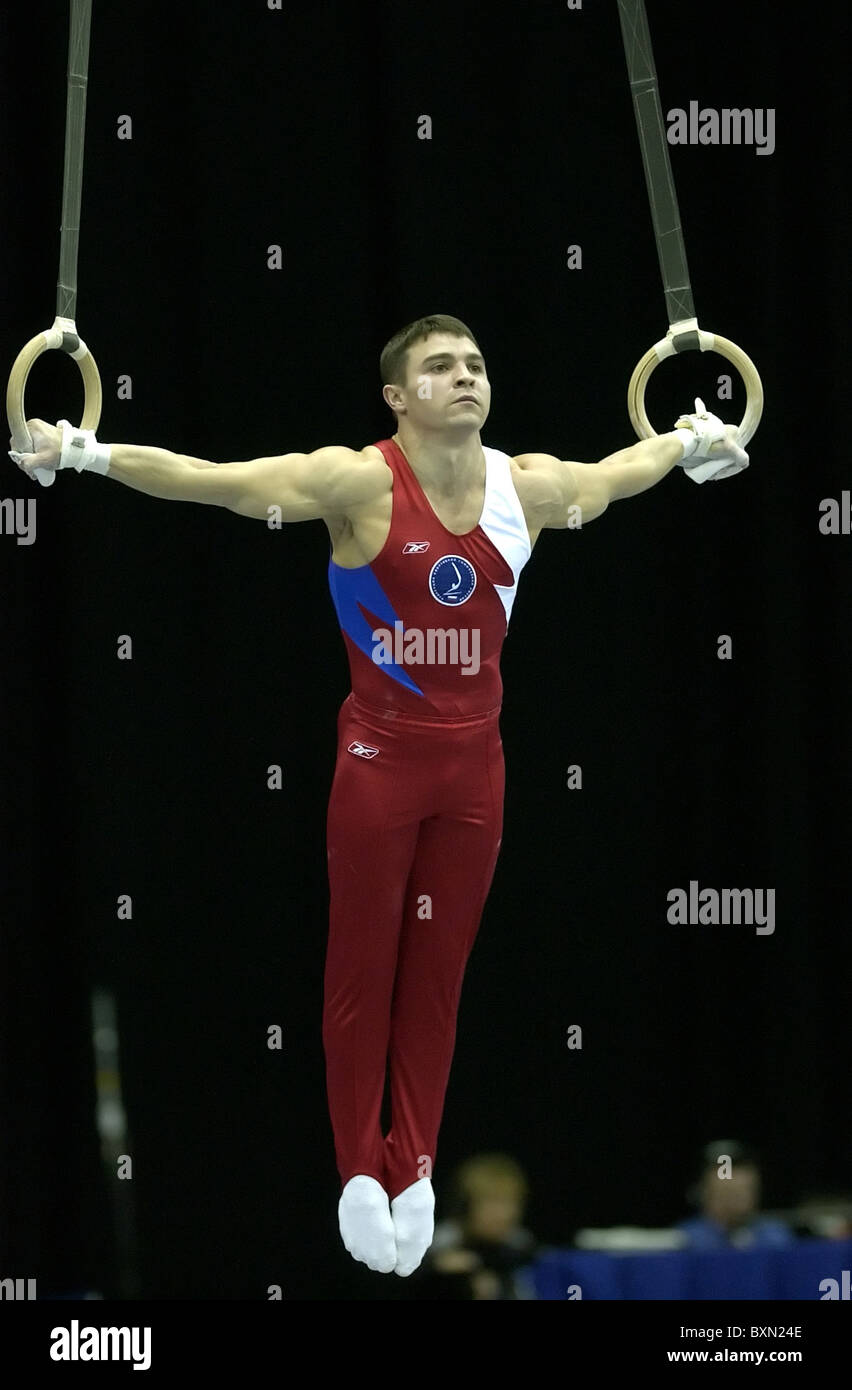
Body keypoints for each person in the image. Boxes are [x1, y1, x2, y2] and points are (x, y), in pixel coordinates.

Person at [9, 312, 749, 1278]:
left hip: (476, 771)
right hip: (378, 762)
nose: (466, 375)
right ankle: (361, 1168)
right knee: (364, 968)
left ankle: (417, 1168)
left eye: (475, 362)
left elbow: (619, 472)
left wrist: (692, 442)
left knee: (438, 981)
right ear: (398, 397)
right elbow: (213, 480)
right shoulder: (358, 483)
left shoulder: (528, 489)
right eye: (441, 366)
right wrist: (86, 453)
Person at [678, 1140, 795, 1249]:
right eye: (726, 1192)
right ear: (703, 1193)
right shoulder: (685, 1240)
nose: (734, 1201)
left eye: (742, 1192)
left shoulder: (774, 1236)